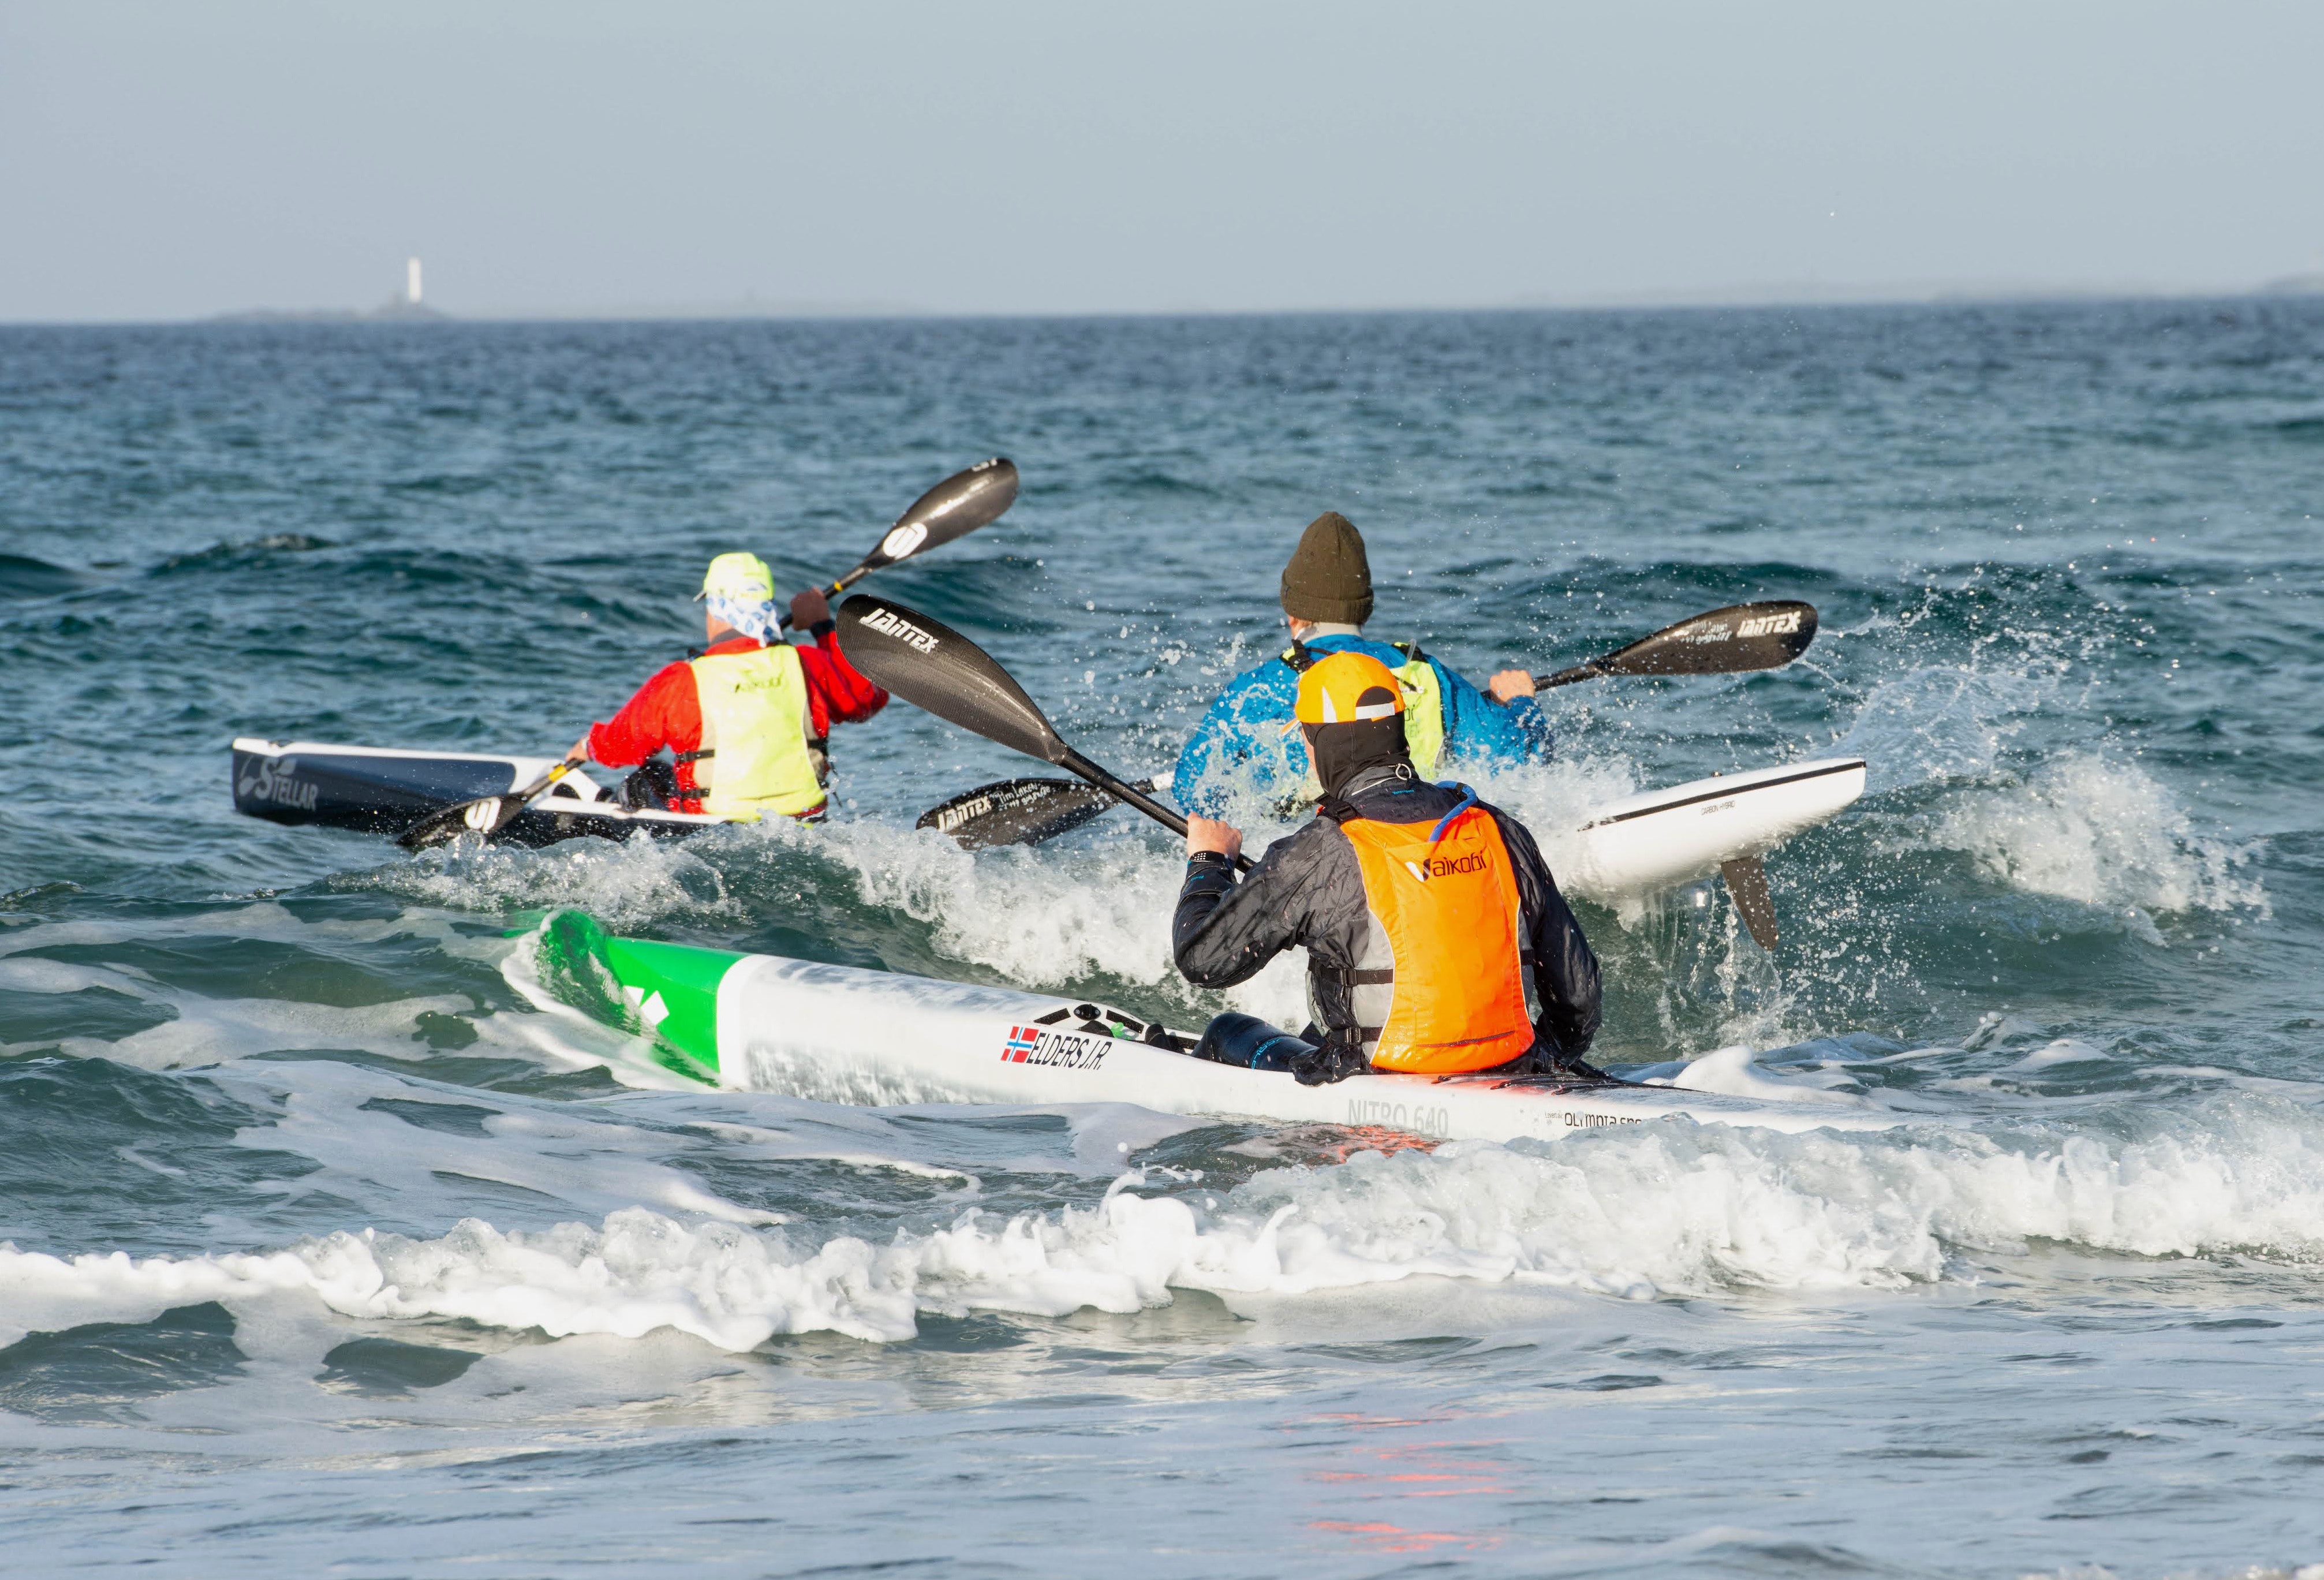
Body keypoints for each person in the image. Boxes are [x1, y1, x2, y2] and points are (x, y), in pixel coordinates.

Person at [1172, 650, 1600, 1086]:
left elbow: (1203, 960)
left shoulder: (1320, 850)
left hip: (1376, 1080)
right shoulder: (1497, 827)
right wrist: (1541, 1060)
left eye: (1306, 736)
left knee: (1228, 1031)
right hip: (1513, 1067)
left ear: (1327, 742)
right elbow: (1580, 997)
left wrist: (1208, 860)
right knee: (1317, 1030)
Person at [1171, 510, 1552, 817]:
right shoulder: (1423, 671)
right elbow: (1520, 759)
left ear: (1293, 614)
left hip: (1309, 857)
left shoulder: (1258, 689)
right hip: (1415, 843)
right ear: (1364, 609)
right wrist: (1519, 703)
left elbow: (1193, 791)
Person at [569, 552, 888, 821]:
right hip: (802, 826)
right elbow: (866, 697)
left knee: (646, 779)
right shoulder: (807, 664)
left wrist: (589, 746)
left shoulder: (681, 681)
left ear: (716, 608)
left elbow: (620, 746)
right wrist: (823, 626)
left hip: (712, 835)